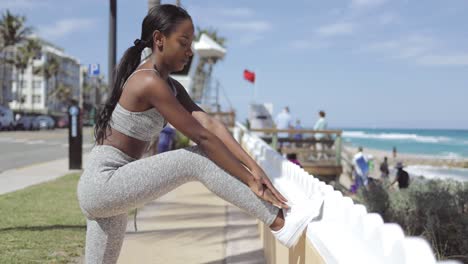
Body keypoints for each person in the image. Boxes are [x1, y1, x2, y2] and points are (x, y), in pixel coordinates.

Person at [76, 5, 322, 263]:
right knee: (194, 159)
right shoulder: (149, 81)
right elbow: (202, 138)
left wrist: (253, 167)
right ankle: (280, 223)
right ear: (159, 39)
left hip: (111, 184)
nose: (190, 51)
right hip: (104, 183)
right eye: (183, 42)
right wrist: (249, 180)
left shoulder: (169, 85)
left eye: (191, 43)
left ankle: (279, 221)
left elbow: (211, 125)